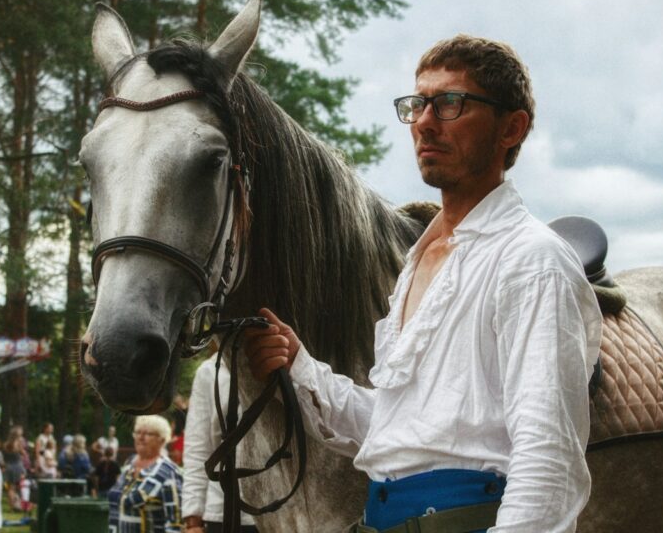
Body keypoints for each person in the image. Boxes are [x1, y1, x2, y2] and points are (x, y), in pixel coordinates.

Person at [243, 34, 602, 532]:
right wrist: (299, 365)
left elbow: (549, 456)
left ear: (511, 128)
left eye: (451, 103)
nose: (425, 122)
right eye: (418, 104)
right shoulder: (419, 261)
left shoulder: (532, 259)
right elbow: (402, 430)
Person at [182, 356, 258, 533]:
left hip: (285, 513)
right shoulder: (209, 371)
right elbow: (198, 448)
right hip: (222, 512)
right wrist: (193, 517)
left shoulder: (288, 363)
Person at [108, 415, 182, 533]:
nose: (140, 437)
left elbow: (175, 523)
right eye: (137, 432)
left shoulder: (169, 472)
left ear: (162, 440)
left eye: (148, 434)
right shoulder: (128, 465)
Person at [2, 426, 27, 511]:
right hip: (18, 466)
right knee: (19, 487)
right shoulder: (18, 444)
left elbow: (4, 456)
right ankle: (19, 505)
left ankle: (12, 507)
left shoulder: (6, 444)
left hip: (8, 467)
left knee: (10, 488)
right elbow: (24, 454)